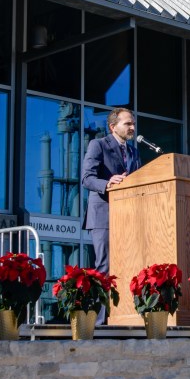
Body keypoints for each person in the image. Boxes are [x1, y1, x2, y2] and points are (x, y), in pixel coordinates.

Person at [81, 108, 140, 280]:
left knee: (128, 266)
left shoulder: (133, 152)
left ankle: (123, 307)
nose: (132, 128)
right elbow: (86, 179)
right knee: (105, 266)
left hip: (127, 216)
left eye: (133, 124)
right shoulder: (98, 145)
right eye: (128, 124)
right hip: (103, 216)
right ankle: (101, 308)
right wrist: (108, 183)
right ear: (113, 126)